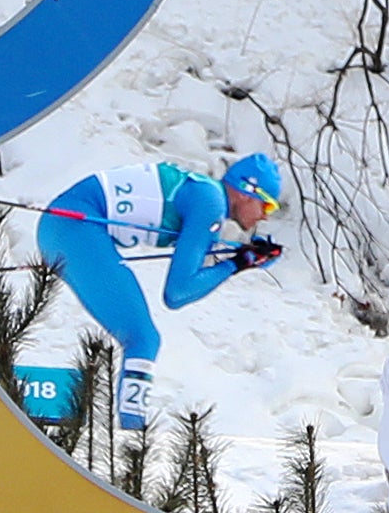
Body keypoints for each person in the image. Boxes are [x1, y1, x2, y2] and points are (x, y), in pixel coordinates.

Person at [38, 153, 285, 431]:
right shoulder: (210, 202)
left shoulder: (205, 194)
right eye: (268, 205)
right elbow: (178, 292)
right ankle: (133, 436)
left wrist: (241, 258)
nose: (265, 215)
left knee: (143, 337)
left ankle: (132, 431)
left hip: (66, 225)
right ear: (247, 192)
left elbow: (199, 259)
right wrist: (238, 263)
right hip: (75, 226)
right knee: (143, 339)